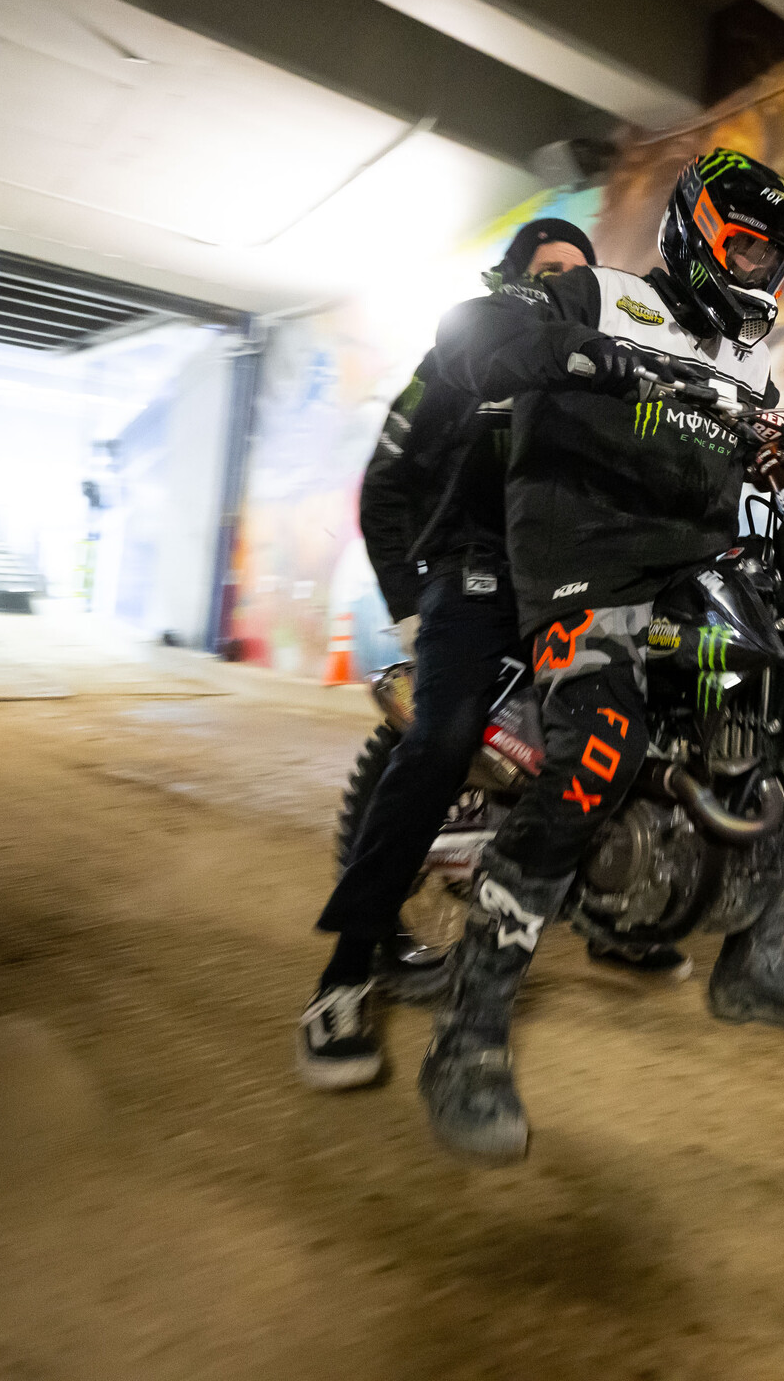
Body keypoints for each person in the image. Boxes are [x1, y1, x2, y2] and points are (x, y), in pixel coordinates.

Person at [417, 149, 784, 1163]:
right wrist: (576, 352)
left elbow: (765, 450)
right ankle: (468, 1034)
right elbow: (473, 338)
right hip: (588, 570)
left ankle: (753, 961)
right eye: (748, 248)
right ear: (696, 234)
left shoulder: (750, 369)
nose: (762, 276)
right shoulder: (601, 297)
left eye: (777, 264)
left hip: (693, 577)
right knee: (602, 744)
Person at [297, 219, 597, 1089]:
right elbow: (385, 480)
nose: (563, 287)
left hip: (568, 585)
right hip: (474, 577)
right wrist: (408, 609)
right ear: (509, 279)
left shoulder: (593, 369)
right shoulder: (460, 356)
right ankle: (346, 972)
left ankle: (633, 916)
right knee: (441, 738)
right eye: (546, 271)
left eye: (578, 275)